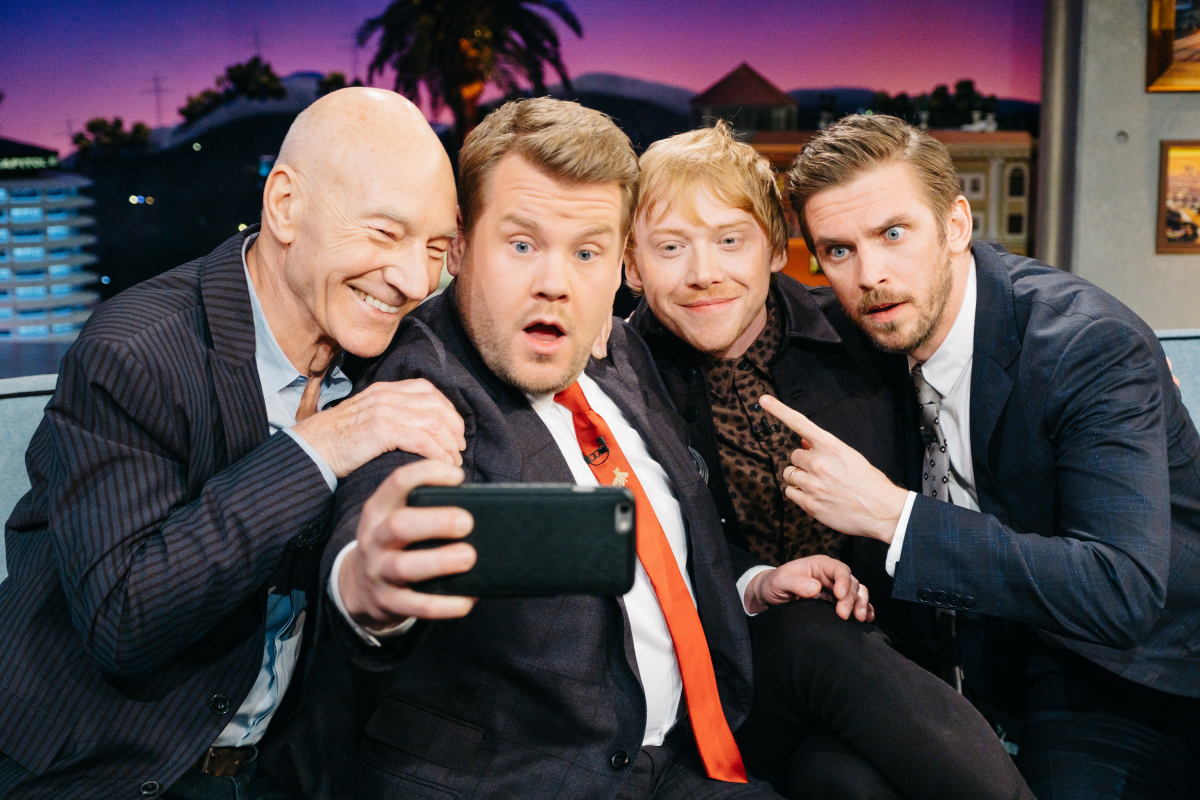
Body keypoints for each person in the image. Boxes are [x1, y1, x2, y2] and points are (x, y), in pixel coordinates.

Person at [265, 98, 1030, 800]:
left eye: (587, 252)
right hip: (533, 778)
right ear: (459, 248)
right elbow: (382, 531)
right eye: (522, 244)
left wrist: (755, 580)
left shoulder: (617, 351)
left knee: (845, 773)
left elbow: (657, 537)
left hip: (691, 755)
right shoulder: (423, 373)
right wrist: (367, 585)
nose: (555, 283)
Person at [0, 87, 466, 799]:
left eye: (435, 248)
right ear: (285, 206)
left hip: (280, 772)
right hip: (92, 769)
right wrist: (320, 447)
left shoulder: (388, 344)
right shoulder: (134, 352)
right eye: (383, 233)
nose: (411, 279)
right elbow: (123, 619)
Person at [766, 112, 1200, 798]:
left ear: (957, 226)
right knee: (826, 774)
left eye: (893, 234)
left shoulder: (1085, 346)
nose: (870, 273)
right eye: (838, 250)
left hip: (1118, 673)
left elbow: (1120, 593)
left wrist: (896, 517)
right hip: (958, 657)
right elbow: (726, 299)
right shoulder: (868, 328)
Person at [623, 122, 1031, 798]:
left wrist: (1095, 351)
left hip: (889, 669)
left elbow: (983, 334)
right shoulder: (618, 379)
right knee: (811, 630)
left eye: (731, 241)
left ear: (776, 249)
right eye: (671, 248)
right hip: (734, 674)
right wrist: (759, 581)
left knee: (844, 782)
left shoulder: (865, 330)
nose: (705, 274)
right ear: (632, 265)